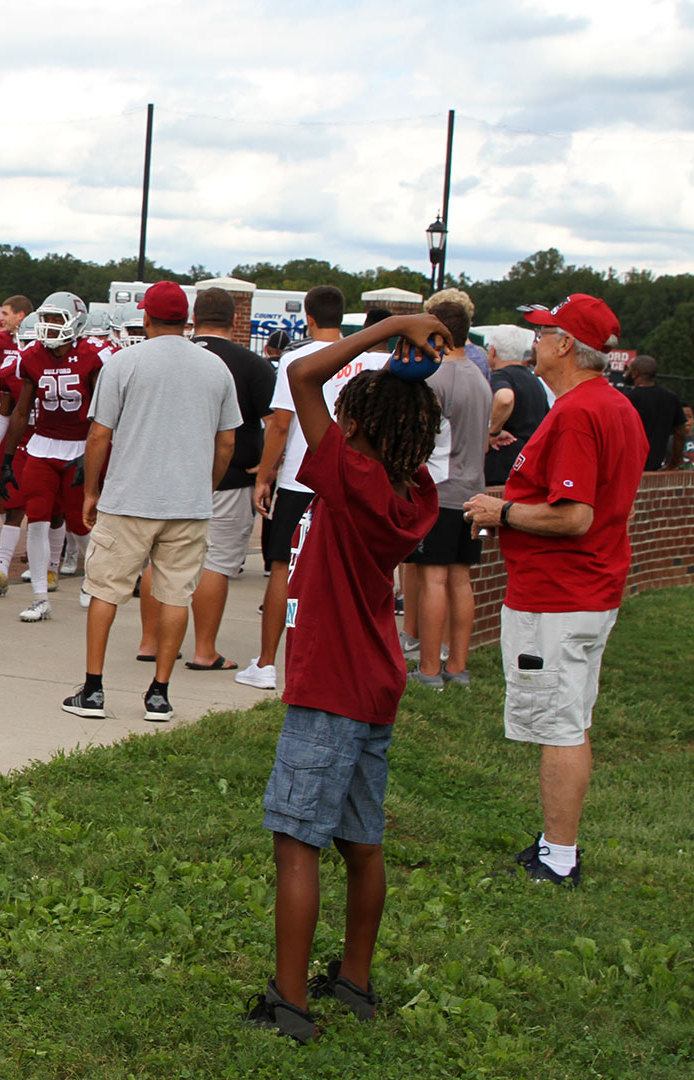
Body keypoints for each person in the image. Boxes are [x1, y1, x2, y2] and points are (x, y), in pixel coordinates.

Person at [244, 312, 447, 1044]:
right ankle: (355, 982)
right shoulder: (411, 489)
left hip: (330, 686)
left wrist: (389, 325)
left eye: (347, 417)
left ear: (357, 432)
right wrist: (398, 373)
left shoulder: (354, 478)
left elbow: (301, 375)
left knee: (297, 843)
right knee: (361, 842)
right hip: (375, 685)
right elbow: (366, 410)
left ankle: (289, 1002)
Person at [461, 294, 648, 889]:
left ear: (567, 345)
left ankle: (559, 857)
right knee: (571, 716)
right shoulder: (613, 406)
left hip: (561, 593)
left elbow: (574, 516)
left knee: (561, 725)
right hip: (588, 588)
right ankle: (553, 842)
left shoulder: (577, 413)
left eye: (543, 333)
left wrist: (503, 511)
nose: (534, 342)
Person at [61, 280, 238, 723]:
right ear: (188, 321)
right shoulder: (215, 368)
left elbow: (99, 433)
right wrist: (208, 486)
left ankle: (94, 688)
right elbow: (226, 443)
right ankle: (159, 693)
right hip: (188, 501)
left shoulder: (124, 362)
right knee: (176, 594)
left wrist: (91, 491)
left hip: (128, 498)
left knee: (105, 590)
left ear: (146, 318)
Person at [140, 286, 274, 668]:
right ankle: (204, 650)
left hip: (166, 476)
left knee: (159, 559)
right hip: (228, 478)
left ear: (194, 318)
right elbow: (275, 423)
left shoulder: (165, 357)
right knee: (215, 563)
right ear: (235, 320)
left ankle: (151, 642)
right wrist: (266, 468)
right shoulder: (253, 365)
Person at [238, 286, 347, 692]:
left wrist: (264, 475)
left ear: (309, 317)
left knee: (284, 566)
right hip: (346, 477)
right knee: (341, 571)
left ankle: (267, 663)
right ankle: (331, 660)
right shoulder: (369, 357)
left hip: (301, 477)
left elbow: (280, 424)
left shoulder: (296, 358)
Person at [398, 301, 493, 688]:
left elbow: (422, 440)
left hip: (439, 490)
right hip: (473, 492)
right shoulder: (481, 378)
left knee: (433, 579)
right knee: (460, 580)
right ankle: (457, 665)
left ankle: (430, 670)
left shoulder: (436, 380)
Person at [0, 293, 103, 622]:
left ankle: (94, 582)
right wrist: (8, 457)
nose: (49, 326)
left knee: (80, 522)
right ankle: (40, 596)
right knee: (38, 518)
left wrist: (95, 451)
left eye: (57, 319)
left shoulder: (93, 357)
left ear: (76, 321)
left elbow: (103, 412)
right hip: (42, 445)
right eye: (46, 319)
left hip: (78, 447)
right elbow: (22, 410)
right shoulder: (32, 357)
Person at [0, 295, 33, 596]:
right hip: (15, 422)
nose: (1, 317)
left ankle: (57, 558)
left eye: (5, 312)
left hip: (51, 432)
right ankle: (6, 549)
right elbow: (7, 401)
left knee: (51, 506)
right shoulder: (3, 344)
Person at [485, 330, 548, 486]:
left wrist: (493, 431)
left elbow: (505, 398)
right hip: (528, 465)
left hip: (499, 468)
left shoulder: (500, 376)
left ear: (492, 351)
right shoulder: (535, 381)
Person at [621, 355, 690, 470]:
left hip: (629, 467)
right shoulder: (671, 398)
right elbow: (680, 433)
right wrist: (673, 464)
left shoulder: (628, 399)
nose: (626, 373)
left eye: (629, 369)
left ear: (635, 373)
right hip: (655, 467)